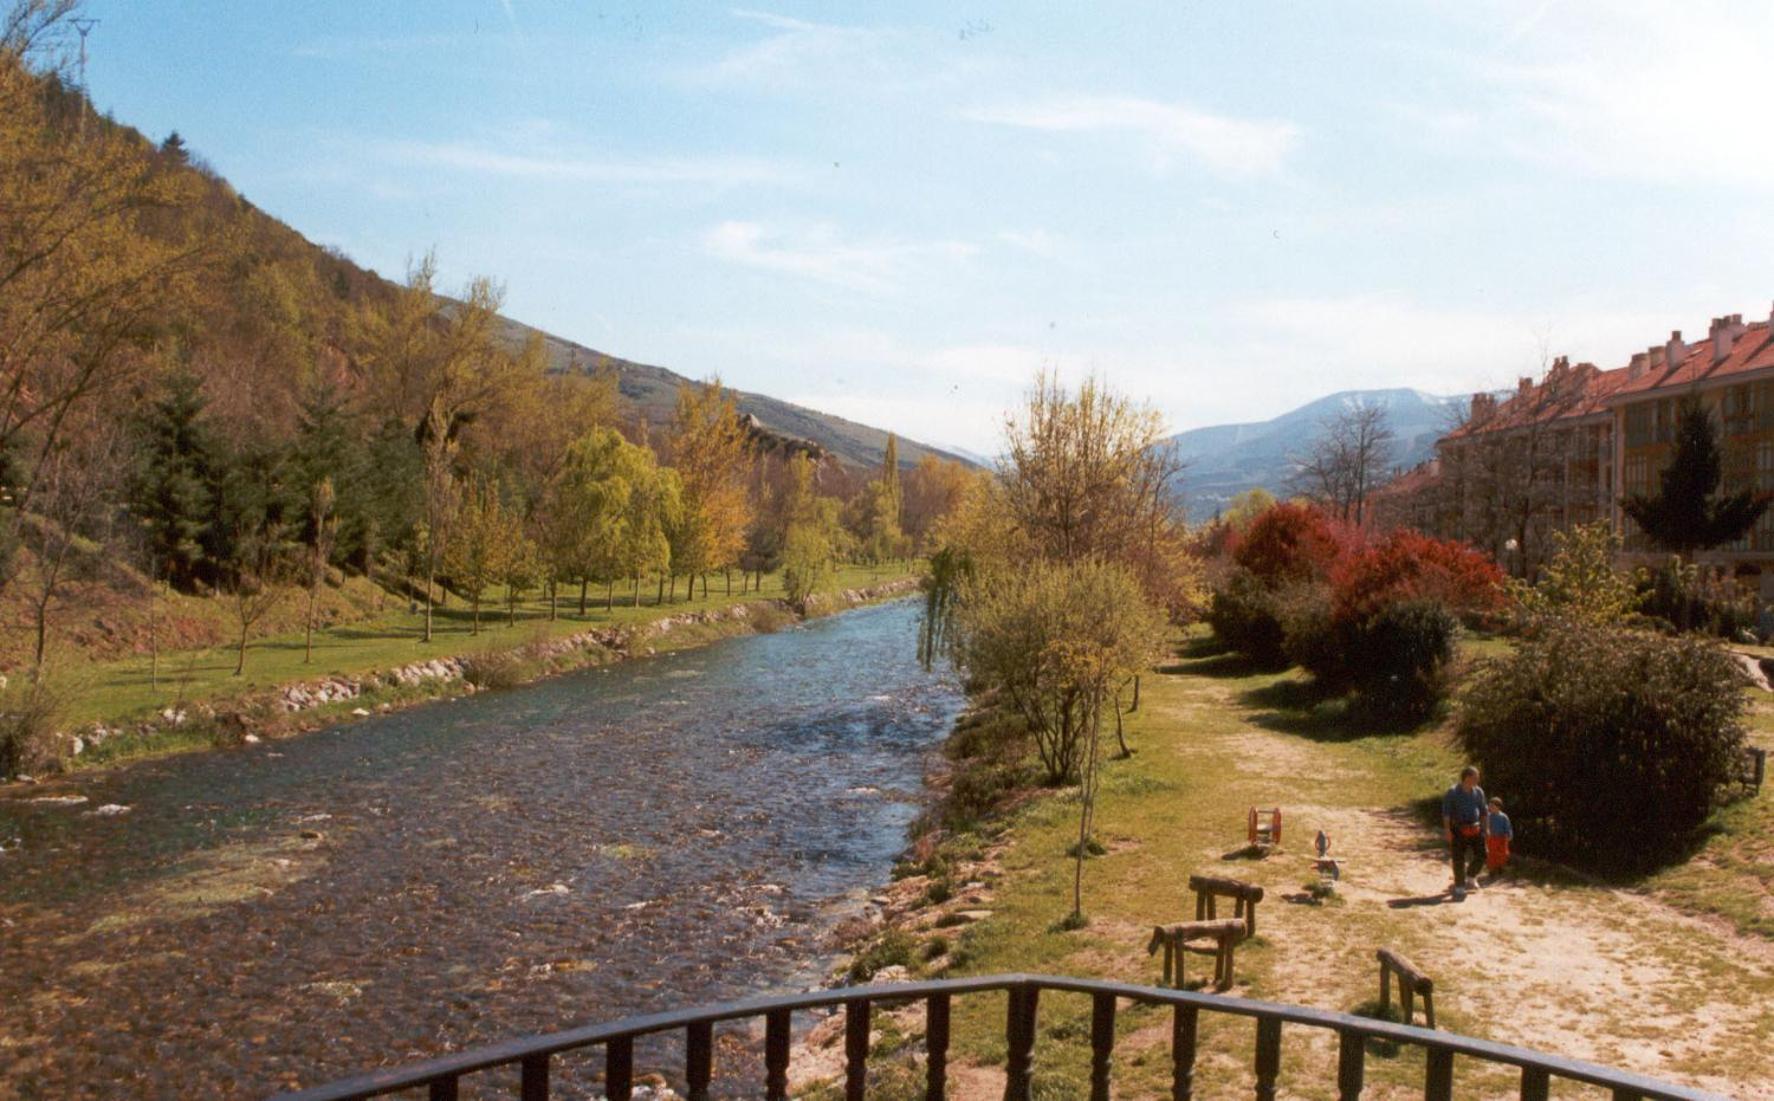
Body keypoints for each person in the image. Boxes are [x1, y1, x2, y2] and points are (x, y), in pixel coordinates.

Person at [1441, 765, 1487, 893]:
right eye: (1475, 777)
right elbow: (1446, 814)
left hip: (1475, 828)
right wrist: (1447, 831)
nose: (1477, 780)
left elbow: (1483, 811)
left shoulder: (1479, 792)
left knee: (1482, 854)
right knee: (1458, 858)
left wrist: (1485, 828)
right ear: (1467, 778)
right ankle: (1459, 885)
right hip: (1458, 829)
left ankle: (1471, 876)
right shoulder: (1453, 792)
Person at [1485, 797, 1513, 877]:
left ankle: (1500, 866)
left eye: (1492, 806)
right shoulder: (1488, 816)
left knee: (1502, 854)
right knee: (1491, 854)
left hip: (1502, 838)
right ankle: (1492, 870)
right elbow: (1486, 826)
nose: (1490, 808)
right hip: (1491, 838)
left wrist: (1509, 834)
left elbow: (1508, 826)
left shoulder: (1503, 817)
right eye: (1489, 806)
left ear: (1498, 807)